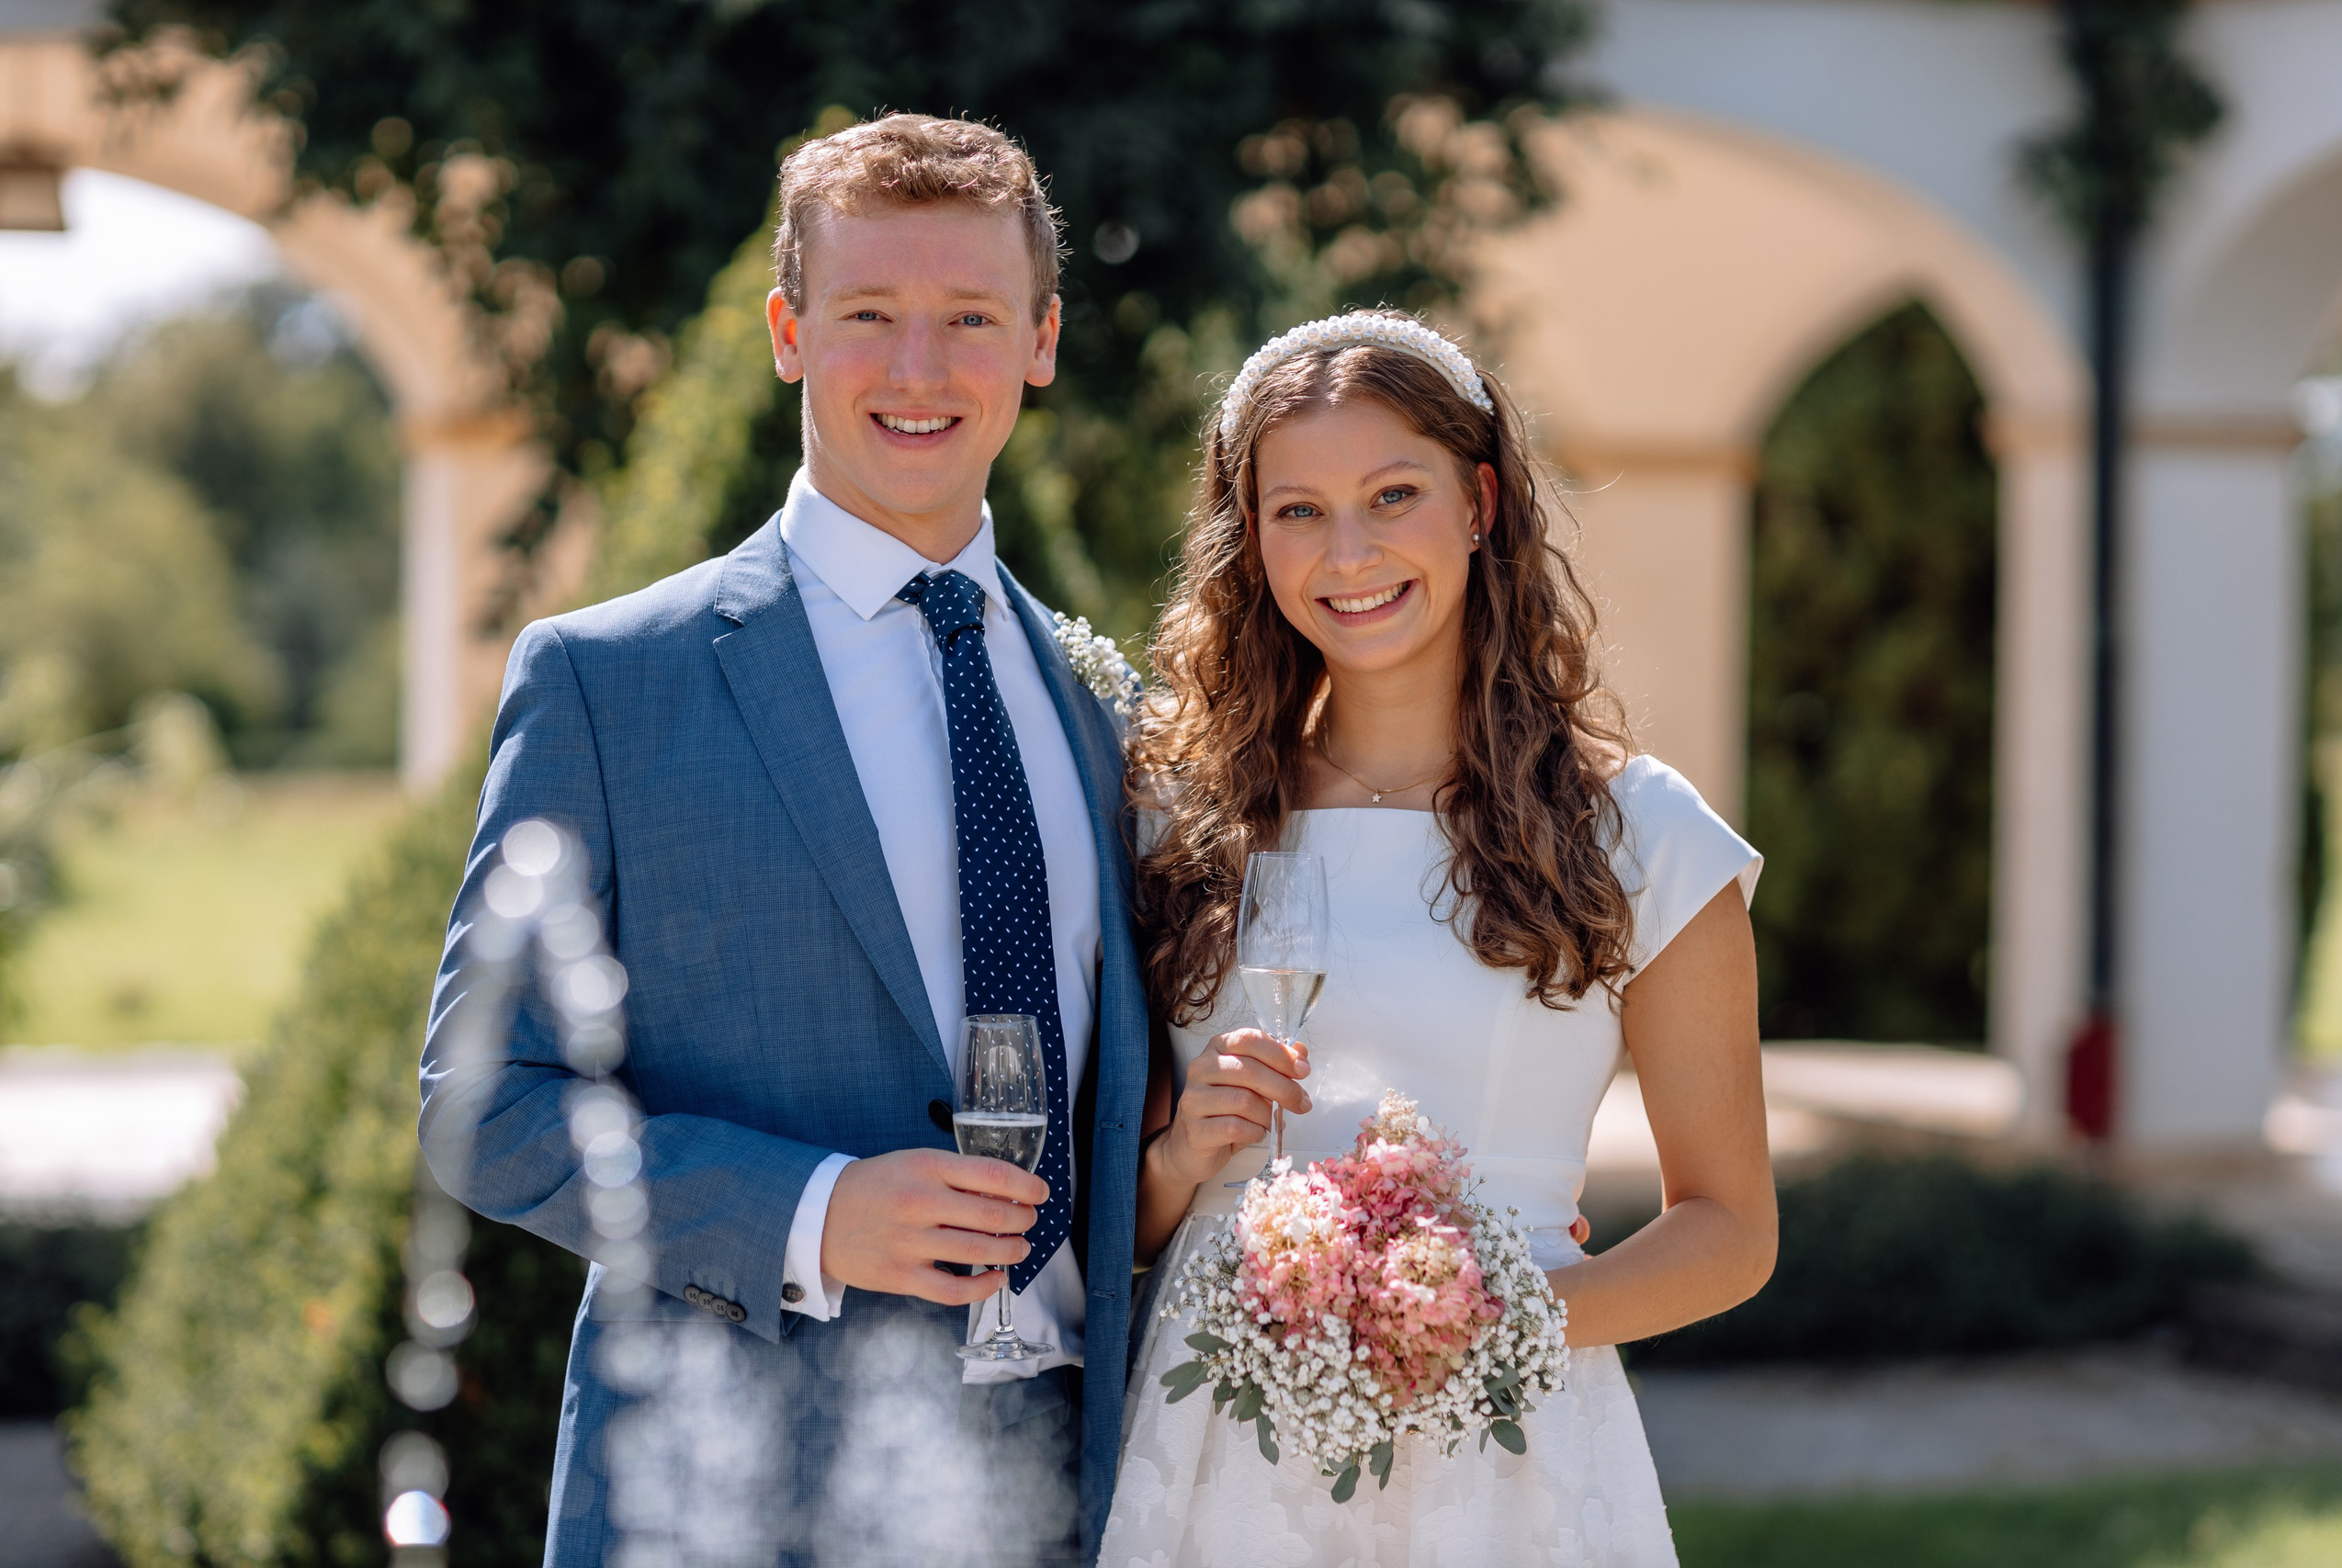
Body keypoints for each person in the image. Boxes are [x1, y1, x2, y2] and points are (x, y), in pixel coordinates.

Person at [419, 115, 1148, 1566]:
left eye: (971, 319)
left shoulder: (1103, 701)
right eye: (870, 314)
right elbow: (480, 1107)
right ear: (788, 331)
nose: (921, 369)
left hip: (1076, 1486)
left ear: (1043, 341)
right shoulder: (610, 680)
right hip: (736, 1489)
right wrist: (811, 1214)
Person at [1102, 311, 1779, 1565]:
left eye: (1391, 495)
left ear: (1477, 502)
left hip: (1505, 1452)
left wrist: (1497, 1319)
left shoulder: (1642, 835)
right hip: (1216, 1452)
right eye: (1296, 510)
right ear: (1249, 540)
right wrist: (1178, 1162)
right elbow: (1116, 1219)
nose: (1347, 552)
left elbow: (1731, 1231)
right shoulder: (1177, 821)